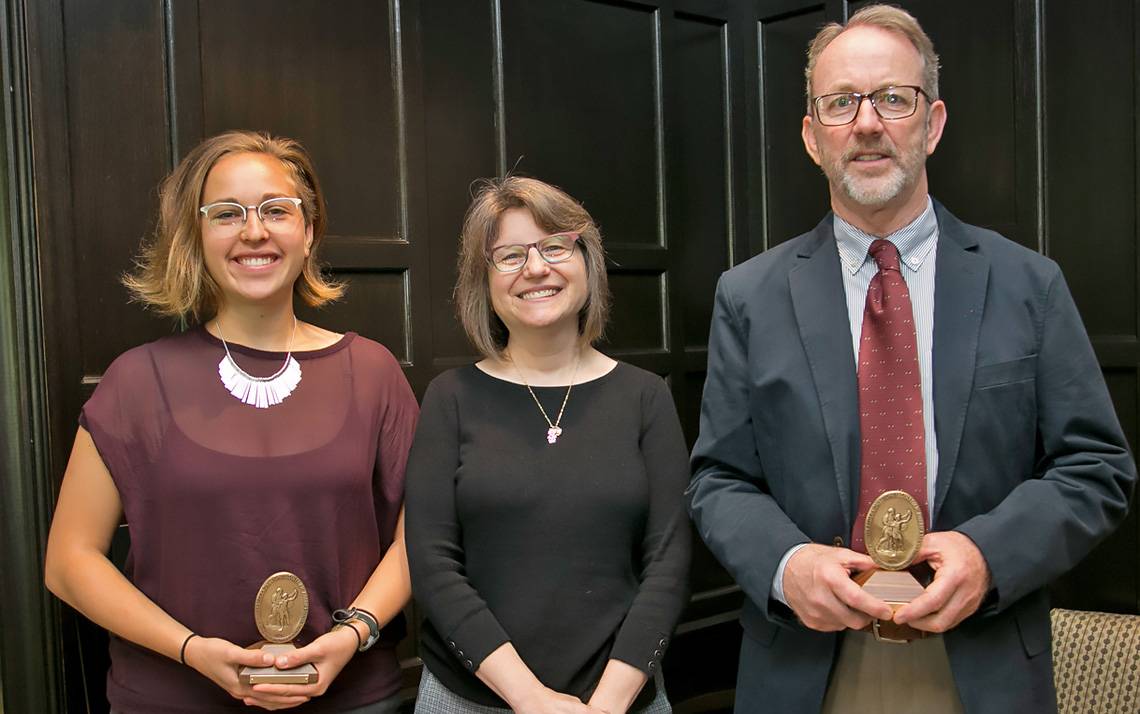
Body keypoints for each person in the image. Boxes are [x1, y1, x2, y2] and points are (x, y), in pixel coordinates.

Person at [687, 5, 1136, 714]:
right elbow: (718, 478)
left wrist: (991, 555)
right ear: (812, 136)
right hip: (808, 667)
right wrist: (786, 564)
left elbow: (1097, 468)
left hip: (980, 663)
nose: (868, 123)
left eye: (894, 98)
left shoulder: (1028, 285)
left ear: (933, 123)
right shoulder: (748, 297)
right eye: (841, 103)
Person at [44, 130, 419, 713]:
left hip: (353, 699)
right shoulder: (136, 381)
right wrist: (193, 650)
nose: (254, 231)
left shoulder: (372, 373)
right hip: (172, 699)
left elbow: (420, 536)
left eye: (276, 209)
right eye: (226, 214)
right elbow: (70, 562)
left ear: (309, 230)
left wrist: (354, 635)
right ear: (196, 236)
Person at [406, 177, 690, 714]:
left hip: (621, 700)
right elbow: (432, 563)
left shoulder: (645, 397)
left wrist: (608, 705)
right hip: (471, 698)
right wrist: (531, 699)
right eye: (509, 255)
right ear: (483, 281)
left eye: (555, 246)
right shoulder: (451, 399)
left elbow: (669, 563)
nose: (536, 269)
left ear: (588, 261)